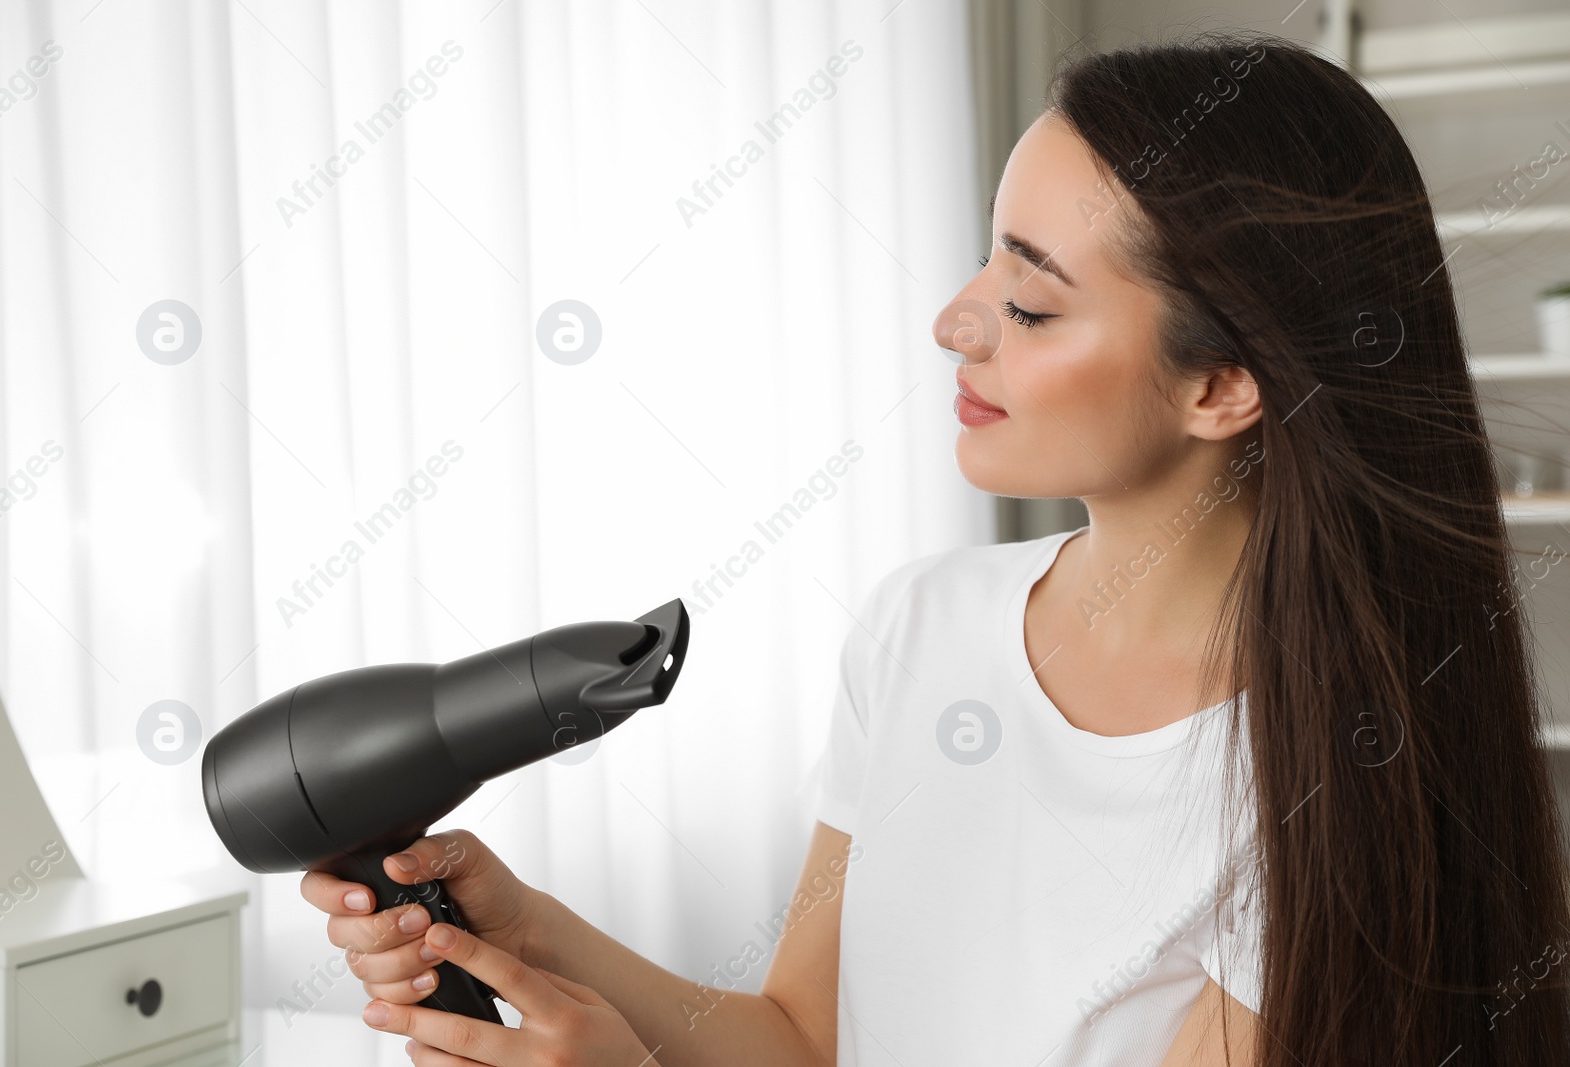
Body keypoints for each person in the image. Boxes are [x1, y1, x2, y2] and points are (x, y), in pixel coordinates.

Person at [300, 30, 1570, 1066]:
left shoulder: (1323, 770)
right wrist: (537, 936)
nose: (954, 321)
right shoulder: (923, 625)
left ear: (1223, 384)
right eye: (985, 262)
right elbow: (804, 1037)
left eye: (1028, 302)